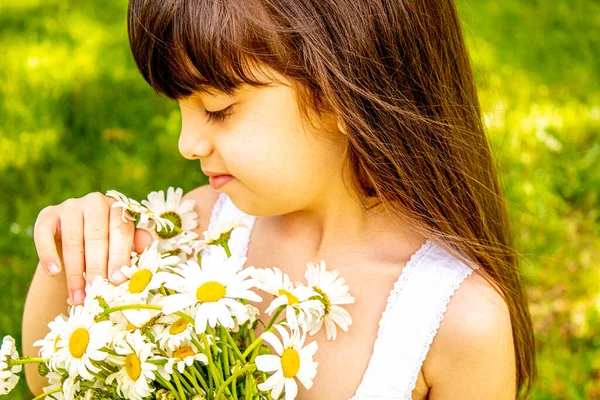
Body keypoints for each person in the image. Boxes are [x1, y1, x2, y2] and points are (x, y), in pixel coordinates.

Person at [22, 0, 536, 398]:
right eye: (181, 107)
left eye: (218, 109)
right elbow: (52, 381)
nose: (187, 144)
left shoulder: (456, 321)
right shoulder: (197, 231)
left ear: (342, 95)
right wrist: (73, 254)